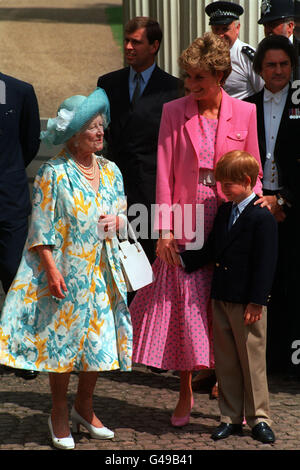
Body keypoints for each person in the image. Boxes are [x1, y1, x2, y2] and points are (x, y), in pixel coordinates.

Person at [130, 33, 263, 427]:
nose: (191, 85)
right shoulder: (174, 111)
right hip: (187, 220)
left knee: (226, 306)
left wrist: (250, 216)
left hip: (228, 219)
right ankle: (186, 386)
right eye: (188, 77)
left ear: (220, 75)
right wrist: (165, 229)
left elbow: (253, 172)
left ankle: (231, 391)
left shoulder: (245, 114)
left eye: (199, 78)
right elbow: (165, 173)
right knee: (186, 309)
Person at [0, 88, 132, 450]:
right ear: (74, 134)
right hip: (64, 271)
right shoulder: (53, 173)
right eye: (92, 126)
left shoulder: (111, 171)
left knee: (97, 343)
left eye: (102, 125)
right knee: (62, 345)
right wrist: (52, 270)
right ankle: (58, 411)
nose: (100, 131)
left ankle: (84, 408)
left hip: (102, 271)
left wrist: (116, 221)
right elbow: (40, 230)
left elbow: (122, 216)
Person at [181, 150, 277, 444]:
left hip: (248, 303)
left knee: (252, 361)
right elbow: (212, 250)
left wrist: (257, 301)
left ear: (247, 181)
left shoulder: (262, 217)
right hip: (221, 296)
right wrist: (181, 260)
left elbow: (266, 262)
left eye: (227, 185)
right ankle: (230, 417)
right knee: (225, 361)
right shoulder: (225, 211)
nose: (222, 190)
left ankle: (259, 417)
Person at [97, 16, 182, 266]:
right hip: (112, 190)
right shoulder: (108, 83)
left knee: (146, 265)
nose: (128, 47)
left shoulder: (173, 89)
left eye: (136, 42)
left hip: (150, 193)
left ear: (154, 46)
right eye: (126, 41)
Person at [245, 35, 300, 380]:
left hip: (293, 205)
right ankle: (258, 361)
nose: (278, 71)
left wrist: (284, 199)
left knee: (293, 282)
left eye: (284, 64)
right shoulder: (247, 106)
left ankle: (290, 361)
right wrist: (261, 199)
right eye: (271, 65)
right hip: (258, 204)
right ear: (259, 69)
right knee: (259, 282)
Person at [0, 72, 40, 381]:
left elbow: (29, 143)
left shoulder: (19, 91)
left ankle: (22, 351)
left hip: (8, 199)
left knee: (14, 272)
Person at [205, 1, 264, 99]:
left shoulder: (247, 57)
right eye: (216, 29)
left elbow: (262, 92)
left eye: (225, 29)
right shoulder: (204, 54)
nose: (220, 35)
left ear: (237, 28)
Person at [258, 0, 299, 80]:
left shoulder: (297, 53)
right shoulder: (261, 56)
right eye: (265, 26)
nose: (268, 30)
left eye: (273, 25)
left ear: (290, 27)